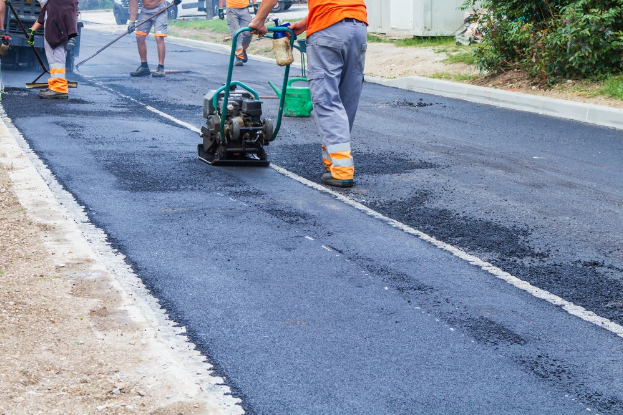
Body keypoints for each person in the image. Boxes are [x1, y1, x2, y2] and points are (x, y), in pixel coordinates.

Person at [250, 0, 367, 188]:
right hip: (358, 26)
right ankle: (333, 160)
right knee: (347, 97)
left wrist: (258, 21)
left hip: (328, 31)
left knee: (326, 99)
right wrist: (305, 24)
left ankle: (342, 170)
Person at [27, 0, 78, 100]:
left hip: (57, 17)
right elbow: (45, 8)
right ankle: (55, 86)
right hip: (60, 14)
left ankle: (59, 88)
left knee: (56, 51)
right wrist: (32, 30)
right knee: (54, 52)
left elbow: (43, 4)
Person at [127, 0, 179, 77]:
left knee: (159, 37)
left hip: (160, 9)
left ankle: (161, 68)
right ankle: (144, 67)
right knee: (139, 36)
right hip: (145, 11)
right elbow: (133, 3)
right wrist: (132, 21)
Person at [219, 0, 259, 66]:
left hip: (244, 8)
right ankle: (239, 56)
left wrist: (255, 4)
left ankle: (242, 50)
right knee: (235, 33)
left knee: (248, 32)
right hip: (231, 10)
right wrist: (220, 8)